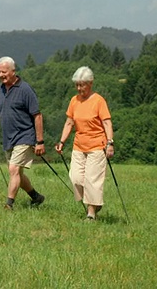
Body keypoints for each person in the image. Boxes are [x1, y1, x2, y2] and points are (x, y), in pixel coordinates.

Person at [0, 56, 46, 210]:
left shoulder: (25, 89)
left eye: (4, 72)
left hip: (25, 136)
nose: (1, 75)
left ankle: (9, 205)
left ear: (13, 71)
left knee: (13, 169)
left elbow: (37, 115)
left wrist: (40, 141)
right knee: (17, 173)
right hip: (8, 138)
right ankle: (36, 197)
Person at [55, 66, 114, 221]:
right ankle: (94, 203)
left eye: (82, 85)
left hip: (97, 146)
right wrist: (61, 141)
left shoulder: (99, 101)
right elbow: (69, 123)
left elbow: (107, 123)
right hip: (79, 146)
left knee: (92, 180)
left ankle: (91, 213)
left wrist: (110, 143)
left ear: (91, 83)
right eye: (77, 85)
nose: (79, 88)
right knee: (75, 178)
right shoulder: (74, 101)